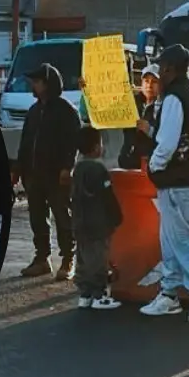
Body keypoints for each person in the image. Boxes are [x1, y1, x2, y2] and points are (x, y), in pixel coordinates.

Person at [140, 44, 189, 323]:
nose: (158, 71)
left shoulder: (174, 97)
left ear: (170, 68)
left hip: (175, 179)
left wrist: (155, 167)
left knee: (181, 240)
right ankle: (169, 293)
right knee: (171, 239)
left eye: (161, 66)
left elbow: (166, 142)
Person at [12, 62, 81, 279]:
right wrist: (17, 169)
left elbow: (73, 142)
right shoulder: (33, 111)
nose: (33, 85)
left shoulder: (66, 110)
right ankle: (42, 258)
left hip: (56, 174)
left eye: (37, 82)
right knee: (37, 217)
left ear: (47, 83)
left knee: (62, 216)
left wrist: (67, 167)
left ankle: (68, 260)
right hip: (34, 174)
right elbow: (26, 143)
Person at [71, 126, 124, 310]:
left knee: (84, 259)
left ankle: (84, 294)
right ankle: (99, 295)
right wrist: (117, 217)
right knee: (98, 260)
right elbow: (107, 196)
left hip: (80, 223)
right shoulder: (98, 170)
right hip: (98, 223)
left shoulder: (77, 169)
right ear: (95, 147)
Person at [118, 63, 162, 170]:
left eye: (154, 82)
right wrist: (88, 89)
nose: (149, 85)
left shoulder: (166, 106)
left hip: (151, 165)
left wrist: (149, 130)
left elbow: (168, 138)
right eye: (146, 81)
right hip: (127, 162)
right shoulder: (131, 103)